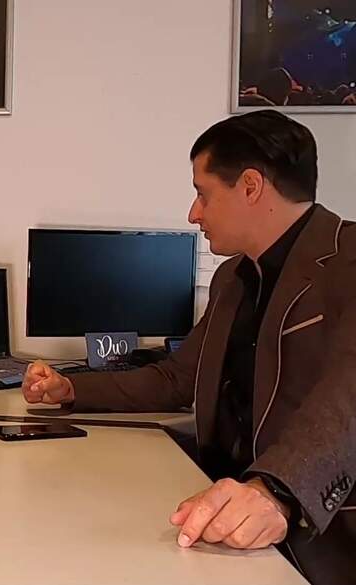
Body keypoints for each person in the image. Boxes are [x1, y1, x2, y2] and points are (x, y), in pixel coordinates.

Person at [23, 110, 354, 584]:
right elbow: (177, 378)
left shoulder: (347, 261)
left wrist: (278, 490)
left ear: (251, 186)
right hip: (216, 514)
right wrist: (71, 388)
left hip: (313, 532)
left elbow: (348, 400)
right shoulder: (232, 278)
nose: (193, 214)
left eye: (203, 193)